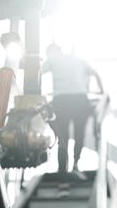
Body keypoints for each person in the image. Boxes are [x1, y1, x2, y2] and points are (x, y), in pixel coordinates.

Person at [42, 43, 104, 179]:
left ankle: (62, 171)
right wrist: (101, 92)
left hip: (61, 101)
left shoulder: (52, 58)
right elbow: (95, 74)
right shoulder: (76, 60)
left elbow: (37, 73)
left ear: (51, 52)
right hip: (80, 100)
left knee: (62, 137)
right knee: (79, 135)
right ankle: (75, 164)